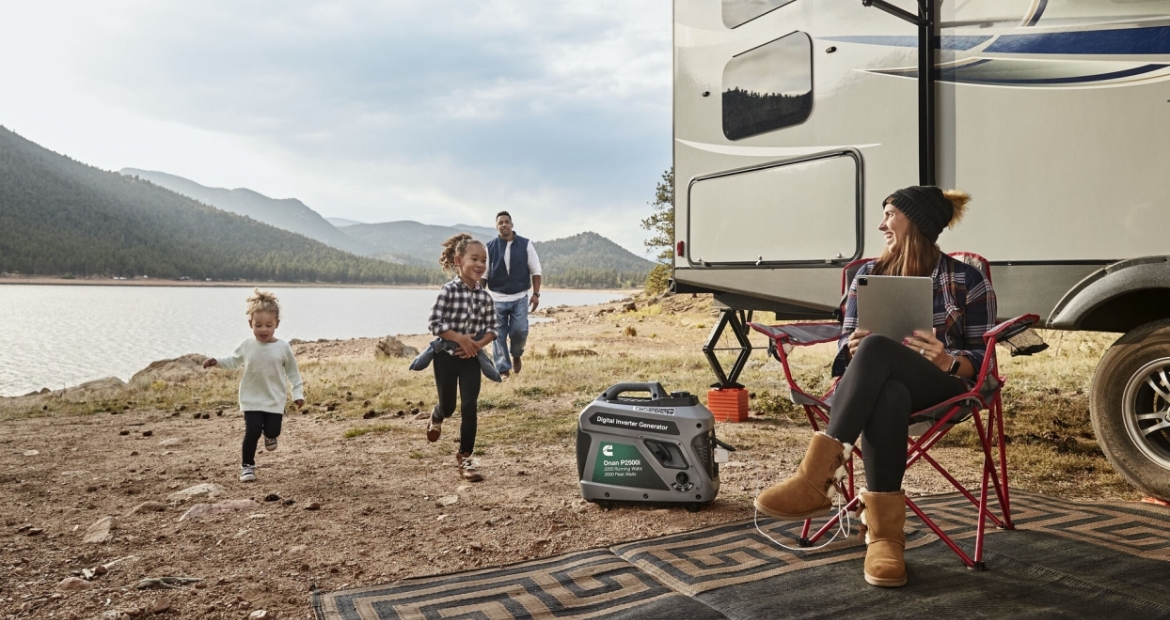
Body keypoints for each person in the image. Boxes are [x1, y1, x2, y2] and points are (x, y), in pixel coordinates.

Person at [754, 186, 996, 588]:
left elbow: (981, 361)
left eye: (889, 215)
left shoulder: (966, 279)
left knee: (880, 349)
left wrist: (946, 359)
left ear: (915, 221)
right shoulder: (868, 276)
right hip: (880, 388)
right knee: (887, 390)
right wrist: (850, 348)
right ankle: (885, 539)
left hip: (941, 386)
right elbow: (845, 345)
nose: (882, 224)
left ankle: (815, 480)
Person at [202, 289, 304, 483]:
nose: (263, 330)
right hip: (251, 398)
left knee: (273, 430)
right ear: (251, 324)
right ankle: (247, 466)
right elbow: (233, 360)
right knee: (252, 430)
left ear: (277, 324)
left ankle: (270, 435)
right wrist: (217, 361)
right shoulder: (247, 345)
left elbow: (293, 372)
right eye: (258, 325)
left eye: (268, 325)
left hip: (274, 399)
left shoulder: (283, 347)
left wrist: (297, 393)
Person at [426, 233, 497, 482]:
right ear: (458, 261)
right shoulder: (448, 291)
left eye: (484, 260)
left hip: (471, 359)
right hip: (445, 358)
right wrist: (460, 338)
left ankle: (465, 458)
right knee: (449, 406)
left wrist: (475, 345)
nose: (480, 264)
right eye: (474, 259)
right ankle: (436, 416)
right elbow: (434, 324)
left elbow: (492, 330)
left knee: (470, 406)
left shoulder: (485, 296)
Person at [484, 211, 542, 378]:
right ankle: (503, 370)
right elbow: (484, 275)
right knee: (497, 334)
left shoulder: (525, 244)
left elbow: (536, 270)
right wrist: (479, 296)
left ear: (512, 224)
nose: (504, 225)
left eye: (506, 222)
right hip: (496, 297)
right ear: (496, 227)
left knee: (519, 331)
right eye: (500, 222)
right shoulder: (490, 247)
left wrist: (536, 294)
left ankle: (516, 354)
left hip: (520, 297)